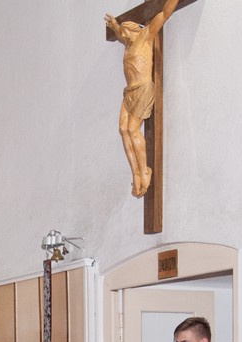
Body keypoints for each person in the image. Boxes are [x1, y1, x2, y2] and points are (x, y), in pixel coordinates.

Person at [105, 0, 180, 197]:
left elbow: (164, 14)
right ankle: (136, 174)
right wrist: (115, 26)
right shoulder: (128, 44)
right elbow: (119, 34)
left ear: (133, 29)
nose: (123, 36)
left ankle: (145, 170)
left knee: (132, 129)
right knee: (123, 130)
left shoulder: (146, 35)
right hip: (129, 91)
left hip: (143, 89)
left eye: (125, 32)